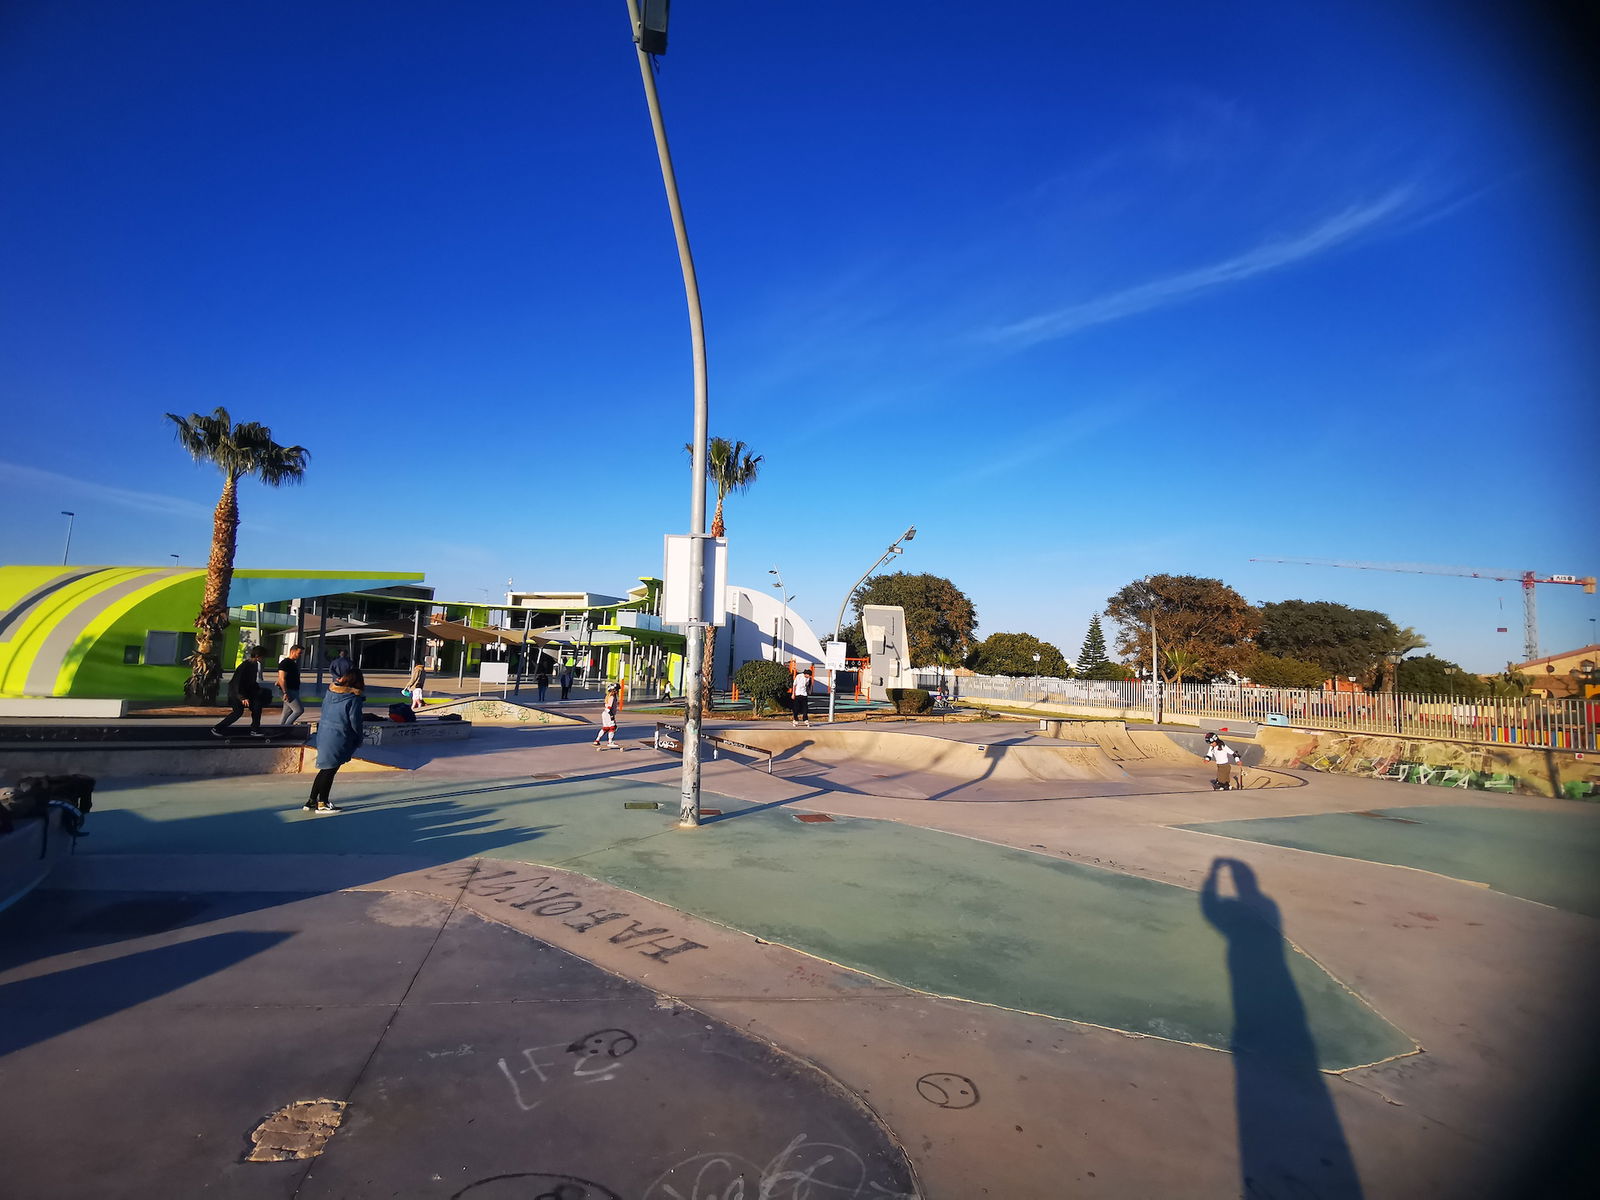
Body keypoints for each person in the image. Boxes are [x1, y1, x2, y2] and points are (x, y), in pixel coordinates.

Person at [305, 668, 366, 812]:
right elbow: (355, 722)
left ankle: (311, 801)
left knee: (325, 768)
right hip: (339, 736)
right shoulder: (353, 699)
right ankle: (323, 803)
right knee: (330, 770)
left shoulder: (330, 693)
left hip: (324, 732)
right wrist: (358, 738)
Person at [213, 644, 269, 737]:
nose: (264, 659)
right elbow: (237, 682)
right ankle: (217, 728)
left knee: (257, 707)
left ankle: (255, 730)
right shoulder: (245, 665)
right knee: (238, 712)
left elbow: (251, 682)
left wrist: (258, 690)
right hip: (236, 693)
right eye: (263, 657)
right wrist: (242, 697)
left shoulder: (254, 665)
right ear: (257, 656)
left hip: (245, 693)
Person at [276, 644, 305, 725]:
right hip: (288, 690)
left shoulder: (292, 663)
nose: (300, 656)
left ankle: (279, 729)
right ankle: (286, 728)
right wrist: (285, 692)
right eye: (299, 653)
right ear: (292, 652)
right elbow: (282, 678)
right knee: (299, 710)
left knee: (287, 712)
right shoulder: (285, 663)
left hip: (293, 690)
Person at [593, 682, 620, 749]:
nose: (617, 691)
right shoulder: (612, 697)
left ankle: (597, 740)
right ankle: (610, 742)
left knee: (606, 728)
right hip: (608, 713)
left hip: (604, 713)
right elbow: (609, 708)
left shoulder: (608, 696)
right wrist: (611, 715)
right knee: (613, 727)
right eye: (616, 690)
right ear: (613, 690)